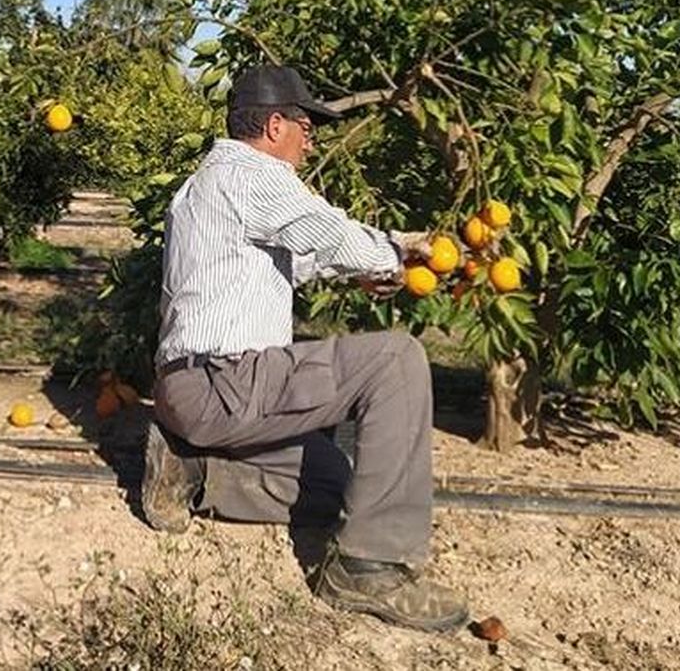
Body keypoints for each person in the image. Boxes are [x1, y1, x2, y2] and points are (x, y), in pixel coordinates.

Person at [142, 63, 469, 633]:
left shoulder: (208, 183)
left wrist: (370, 268)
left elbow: (296, 254)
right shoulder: (253, 174)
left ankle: (197, 470)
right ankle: (368, 567)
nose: (310, 138)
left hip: (196, 391)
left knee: (342, 487)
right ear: (274, 125)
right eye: (304, 125)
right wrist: (396, 250)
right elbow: (330, 232)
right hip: (227, 381)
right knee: (398, 359)